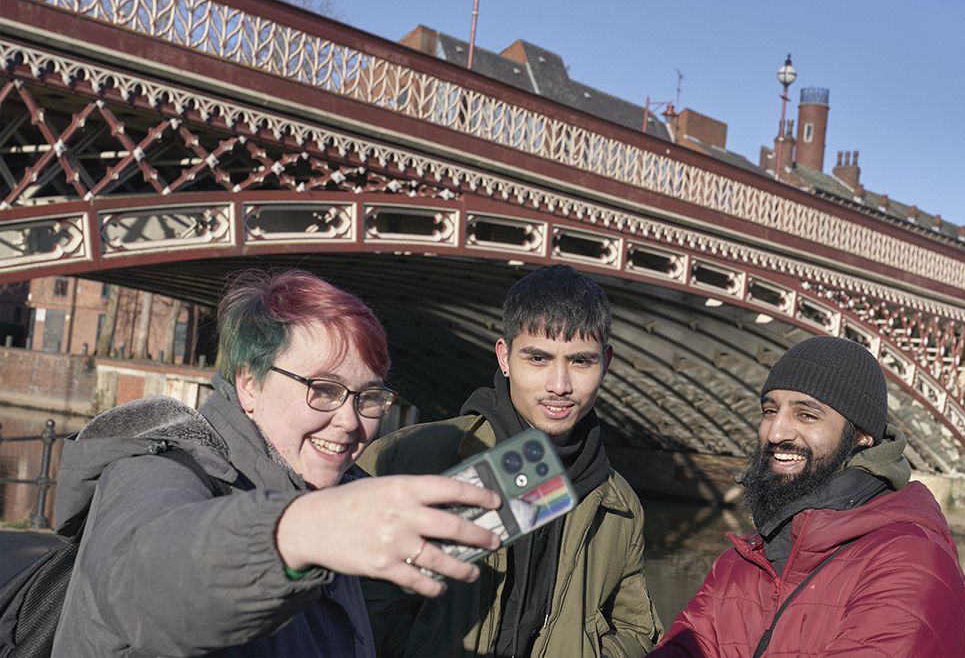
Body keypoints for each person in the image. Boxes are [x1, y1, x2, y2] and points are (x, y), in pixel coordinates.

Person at [51, 268, 503, 657]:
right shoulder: (156, 470)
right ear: (249, 383)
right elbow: (147, 581)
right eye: (322, 389)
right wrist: (299, 531)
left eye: (369, 397)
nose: (348, 421)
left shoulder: (334, 492)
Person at [358, 263, 663, 657]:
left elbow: (635, 630)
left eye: (580, 361)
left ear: (606, 362)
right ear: (504, 357)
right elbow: (353, 595)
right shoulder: (413, 457)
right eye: (538, 359)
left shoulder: (619, 505)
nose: (560, 386)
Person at [647, 336, 965, 658]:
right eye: (770, 410)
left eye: (807, 415)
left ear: (861, 436)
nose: (775, 432)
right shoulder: (740, 562)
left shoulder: (911, 561)